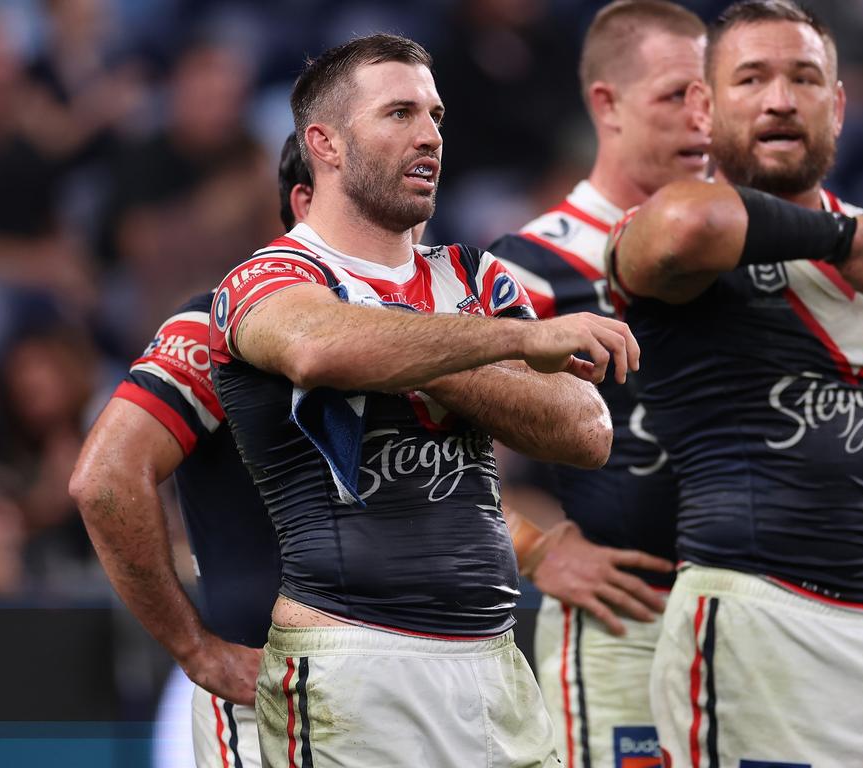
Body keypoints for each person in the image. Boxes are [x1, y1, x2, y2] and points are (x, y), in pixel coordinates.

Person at [606, 1, 863, 765]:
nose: (779, 99)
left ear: (838, 104)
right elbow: (691, 226)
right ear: (703, 105)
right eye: (751, 78)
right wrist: (843, 238)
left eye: (804, 78)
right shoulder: (676, 229)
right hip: (759, 631)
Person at [209, 34, 640, 768]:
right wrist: (496, 345)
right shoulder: (266, 277)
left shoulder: (473, 275)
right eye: (399, 113)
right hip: (351, 664)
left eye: (435, 115)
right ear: (327, 144)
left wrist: (418, 350)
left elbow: (584, 427)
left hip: (493, 661)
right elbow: (319, 348)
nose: (430, 135)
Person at [486, 2, 709, 766]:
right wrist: (536, 548)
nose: (702, 120)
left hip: (756, 629)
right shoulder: (530, 268)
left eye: (711, 95)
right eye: (677, 95)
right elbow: (417, 442)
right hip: (624, 635)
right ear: (606, 104)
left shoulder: (749, 253)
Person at [70, 132, 314, 768]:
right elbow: (103, 480)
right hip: (268, 687)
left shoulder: (424, 321)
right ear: (301, 203)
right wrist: (195, 648)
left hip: (424, 682)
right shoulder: (212, 326)